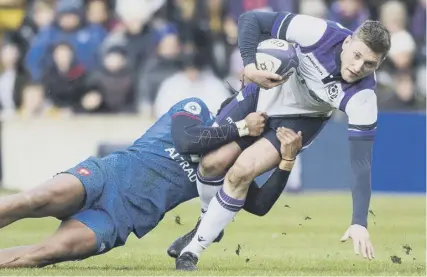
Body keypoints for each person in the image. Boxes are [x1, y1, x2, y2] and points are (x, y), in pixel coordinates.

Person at [175, 10, 391, 270]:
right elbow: (250, 20)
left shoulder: (363, 99)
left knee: (241, 172)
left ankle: (193, 251)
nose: (358, 68)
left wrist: (359, 222)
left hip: (300, 119)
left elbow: (361, 164)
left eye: (370, 64)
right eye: (357, 55)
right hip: (267, 89)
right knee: (211, 163)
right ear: (347, 43)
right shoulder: (318, 33)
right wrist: (250, 65)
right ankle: (207, 222)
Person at [0, 97, 298, 268]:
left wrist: (286, 161)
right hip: (106, 177)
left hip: (120, 220)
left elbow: (258, 206)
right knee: (29, 201)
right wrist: (242, 127)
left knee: (41, 254)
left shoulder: (229, 166)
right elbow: (186, 140)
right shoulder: (195, 109)